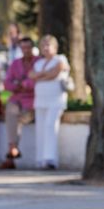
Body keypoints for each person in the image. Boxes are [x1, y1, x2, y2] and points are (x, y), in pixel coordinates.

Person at [30, 35, 71, 171]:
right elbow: (32, 76)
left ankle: (50, 158)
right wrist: (43, 75)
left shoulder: (60, 59)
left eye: (49, 45)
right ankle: (40, 158)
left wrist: (41, 75)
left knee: (50, 126)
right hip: (41, 99)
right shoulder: (38, 63)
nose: (46, 48)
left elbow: (55, 72)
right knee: (41, 128)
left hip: (55, 99)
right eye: (44, 46)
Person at [0, 36, 37, 168]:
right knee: (10, 112)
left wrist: (25, 84)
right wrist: (17, 86)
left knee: (21, 118)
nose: (26, 50)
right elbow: (7, 83)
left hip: (32, 100)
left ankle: (11, 152)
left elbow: (37, 80)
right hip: (17, 98)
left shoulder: (38, 62)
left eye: (28, 47)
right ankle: (12, 149)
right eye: (23, 48)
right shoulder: (15, 63)